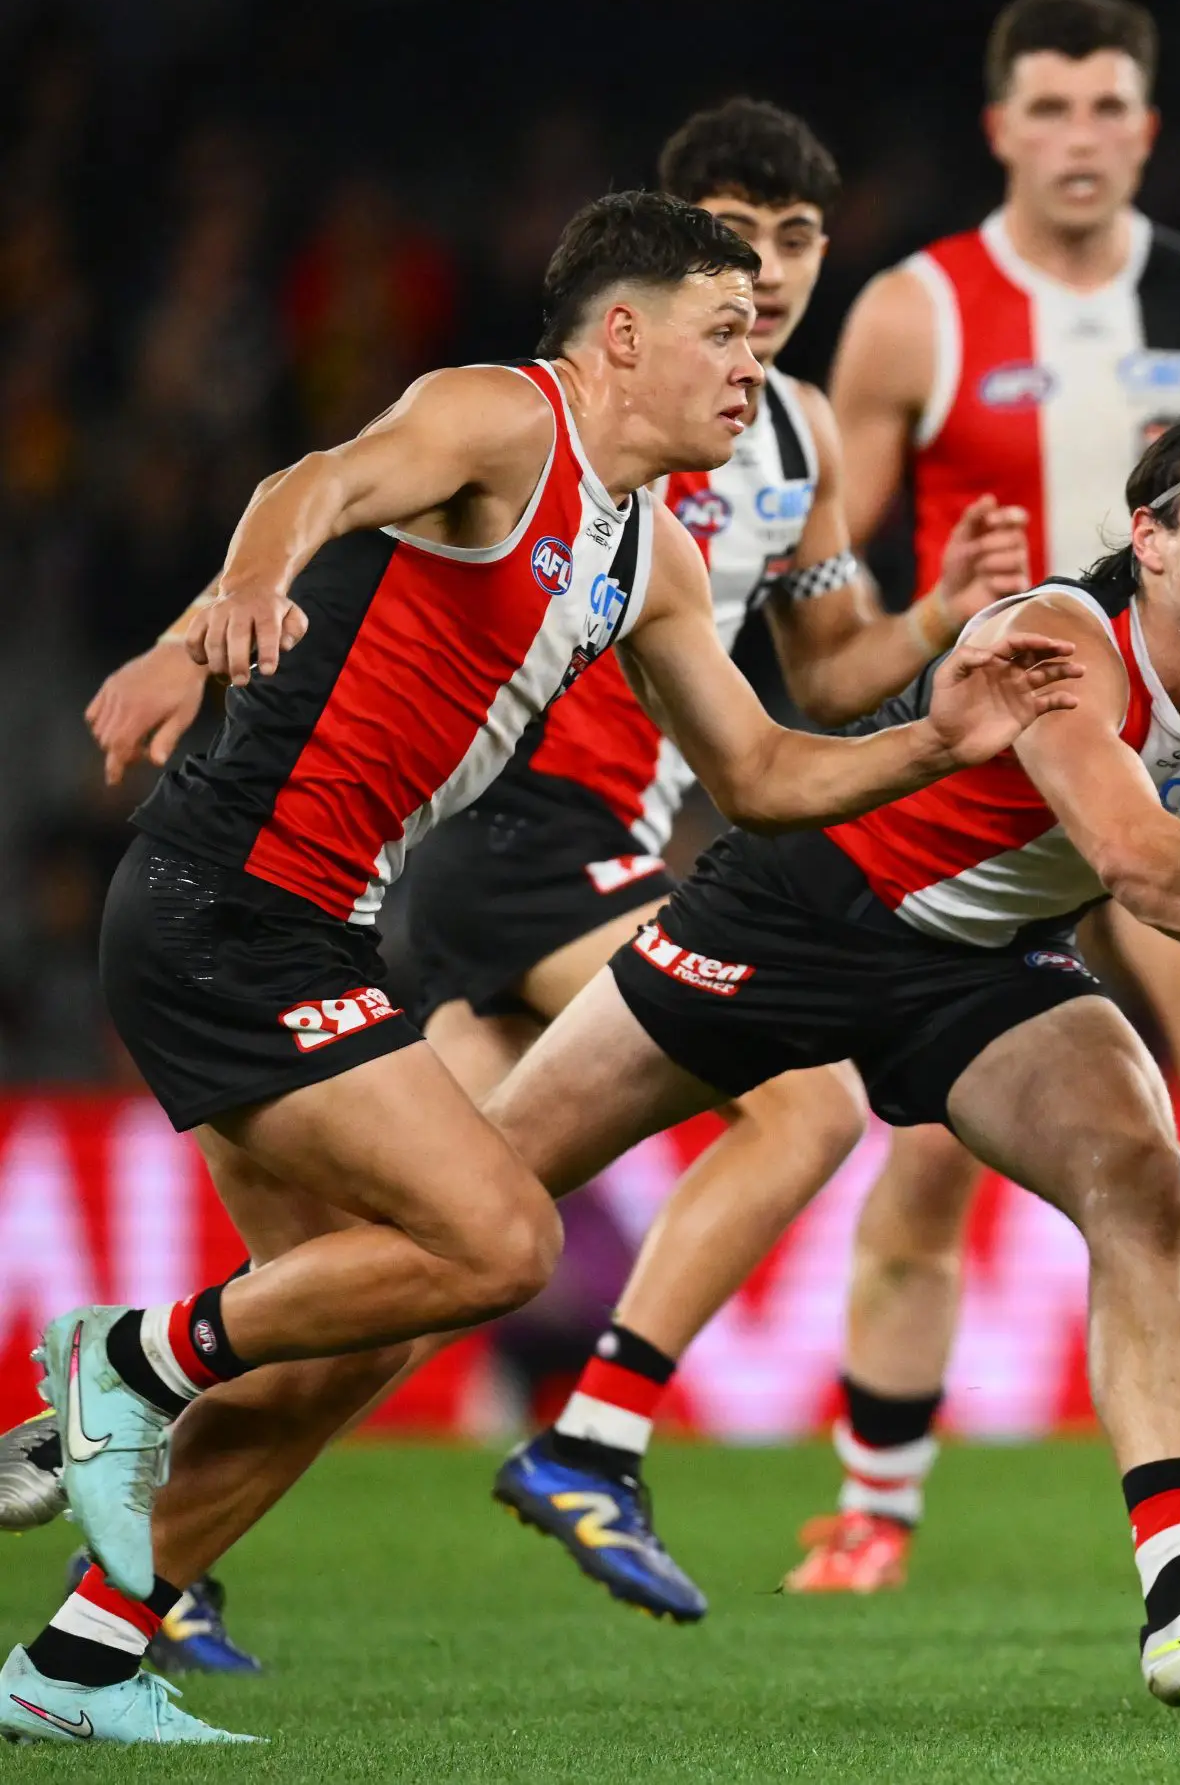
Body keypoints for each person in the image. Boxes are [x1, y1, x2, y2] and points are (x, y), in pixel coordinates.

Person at [63, 398, 1180, 1713]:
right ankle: (131, 1546)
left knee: (1140, 1176)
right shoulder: (1060, 634)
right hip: (793, 914)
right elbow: (1137, 858)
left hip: (972, 972)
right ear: (1151, 538)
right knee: (443, 1256)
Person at [1, 190, 1079, 1748]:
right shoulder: (502, 420)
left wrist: (939, 735)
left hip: (311, 926)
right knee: (500, 1239)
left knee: (342, 1350)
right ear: (622, 335)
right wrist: (225, 605)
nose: (750, 362)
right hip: (223, 908)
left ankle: (81, 1664)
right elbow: (317, 478)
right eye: (724, 330)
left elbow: (765, 773)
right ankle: (124, 1362)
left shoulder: (653, 561)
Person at [793, 0, 1180, 1587]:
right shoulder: (917, 308)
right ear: (1000, 128)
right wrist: (882, 656)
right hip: (996, 781)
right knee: (928, 1131)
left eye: (1107, 106)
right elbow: (821, 555)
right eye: (1047, 108)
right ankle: (874, 1495)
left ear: (1146, 126)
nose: (1078, 136)